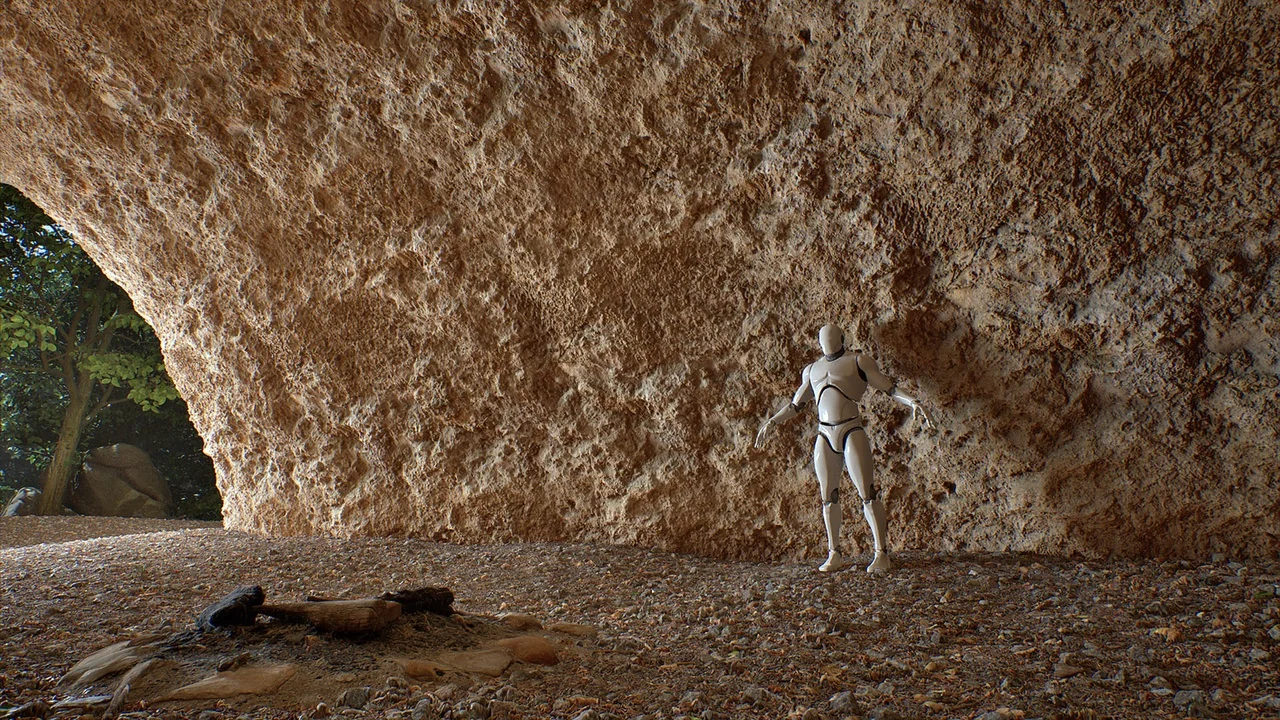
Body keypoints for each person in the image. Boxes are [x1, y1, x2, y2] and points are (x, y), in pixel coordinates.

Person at [755, 324, 934, 573]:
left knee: (867, 492)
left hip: (851, 429)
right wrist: (772, 422)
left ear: (842, 338)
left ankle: (881, 553)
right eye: (823, 338)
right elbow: (796, 405)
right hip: (824, 432)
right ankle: (834, 553)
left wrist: (912, 401)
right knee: (828, 496)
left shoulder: (858, 361)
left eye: (831, 337)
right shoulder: (812, 370)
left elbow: (889, 388)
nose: (827, 342)